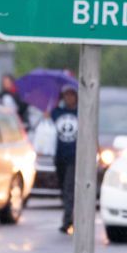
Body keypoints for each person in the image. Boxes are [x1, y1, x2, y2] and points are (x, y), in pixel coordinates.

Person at [51, 84, 79, 234]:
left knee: (69, 188)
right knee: (63, 188)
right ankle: (70, 216)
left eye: (71, 95)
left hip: (74, 156)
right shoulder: (57, 112)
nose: (69, 98)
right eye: (66, 95)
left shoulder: (80, 112)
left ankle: (67, 220)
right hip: (60, 155)